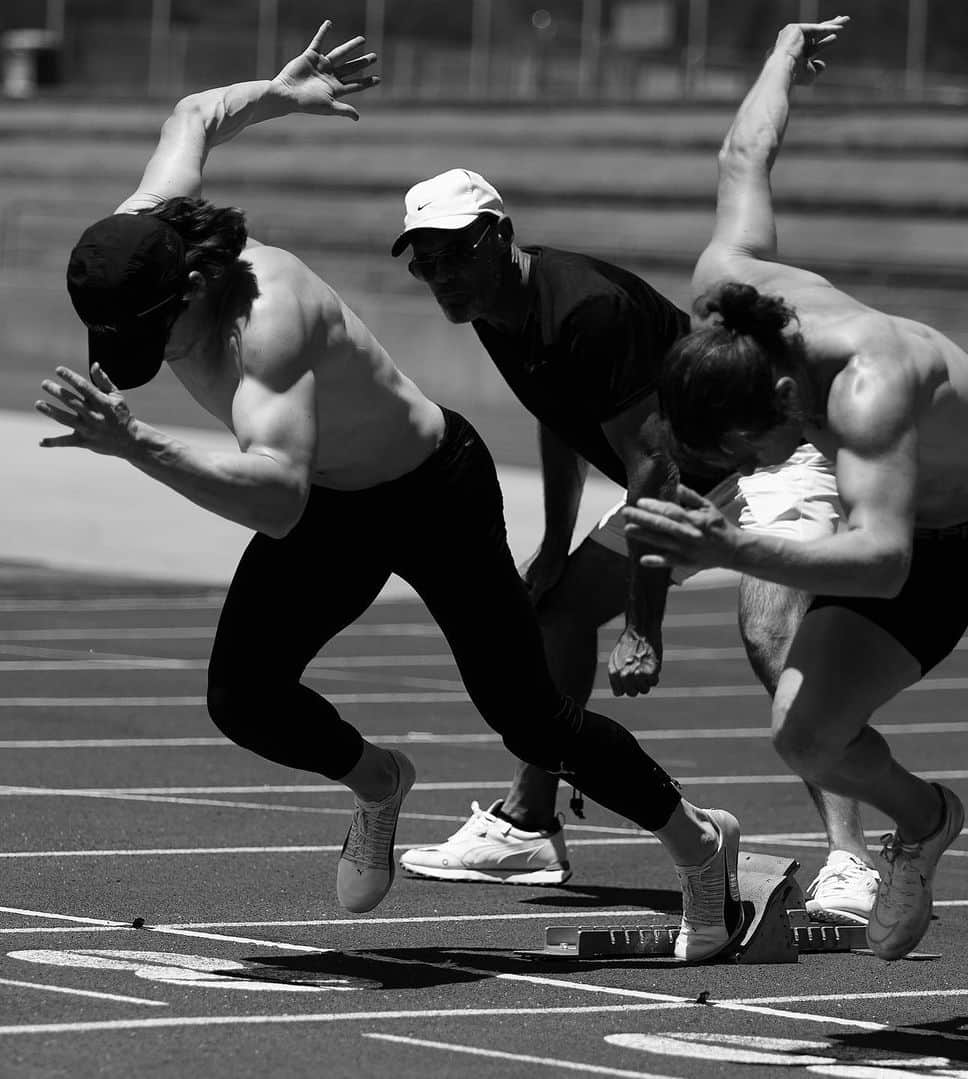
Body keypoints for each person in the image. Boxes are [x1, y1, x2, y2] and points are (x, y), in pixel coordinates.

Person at [37, 22, 747, 964]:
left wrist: (135, 444)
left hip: (429, 492)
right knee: (242, 698)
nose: (141, 360)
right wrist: (283, 93)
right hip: (333, 505)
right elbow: (195, 112)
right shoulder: (149, 224)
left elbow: (275, 501)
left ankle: (698, 843)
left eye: (151, 337)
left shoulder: (268, 325)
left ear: (197, 282)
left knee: (527, 714)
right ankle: (377, 780)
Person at [620, 14, 968, 961]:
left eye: (755, 451)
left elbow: (880, 559)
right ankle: (924, 822)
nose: (751, 471)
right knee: (805, 728)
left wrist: (729, 545)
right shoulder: (727, 287)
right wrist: (782, 56)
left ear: (786, 393)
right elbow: (743, 154)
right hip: (914, 540)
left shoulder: (874, 384)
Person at [390, 167, 879, 924]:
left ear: (500, 237)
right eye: (426, 261)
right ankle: (529, 822)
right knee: (553, 611)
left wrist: (641, 626)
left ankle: (852, 857)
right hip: (685, 476)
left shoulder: (586, 307)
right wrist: (555, 543)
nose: (442, 276)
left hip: (765, 460)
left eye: (455, 253)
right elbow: (560, 413)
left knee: (771, 635)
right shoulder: (490, 305)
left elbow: (652, 464)